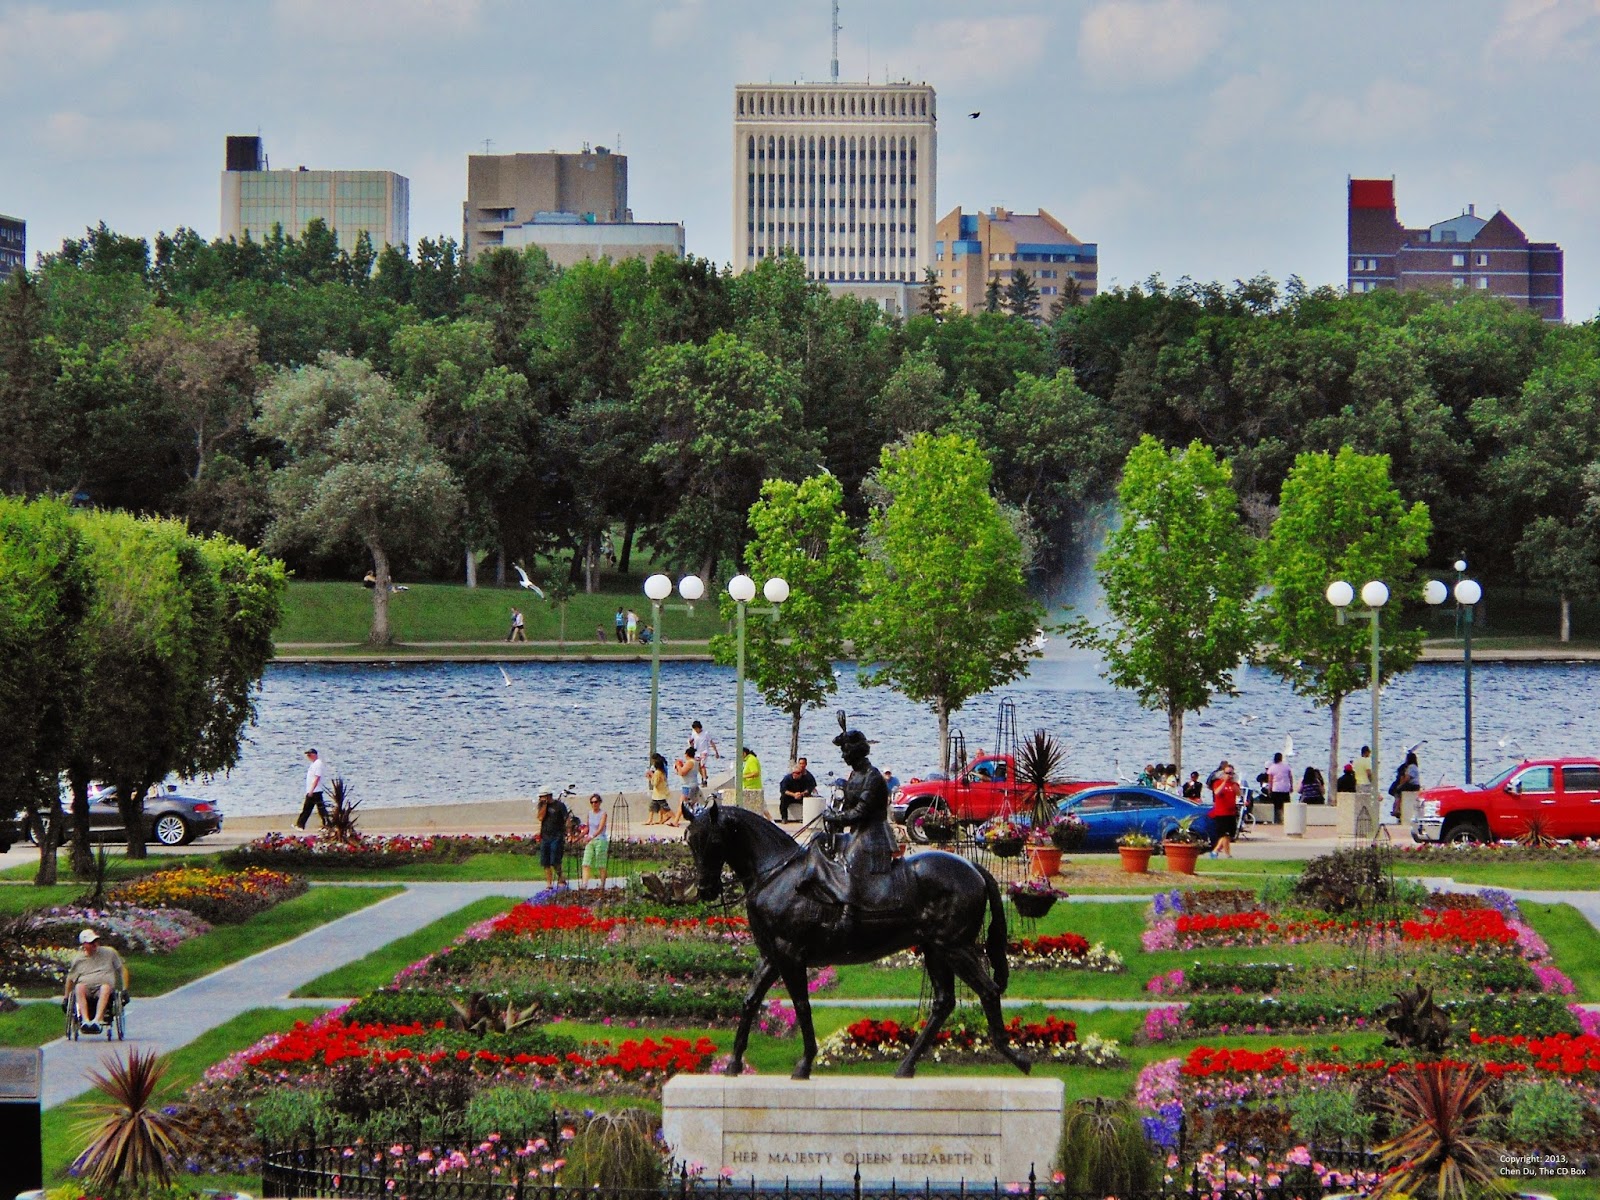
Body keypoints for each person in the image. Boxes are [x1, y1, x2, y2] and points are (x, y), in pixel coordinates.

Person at [807, 725, 895, 936]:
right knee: (818, 841)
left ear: (856, 751)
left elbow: (860, 812)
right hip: (856, 830)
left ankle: (849, 914)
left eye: (846, 751)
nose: (844, 755)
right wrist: (834, 817)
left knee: (850, 861)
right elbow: (848, 807)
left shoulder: (872, 777)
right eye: (843, 751)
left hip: (872, 834)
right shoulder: (854, 775)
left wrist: (837, 817)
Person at [64, 928, 128, 1034]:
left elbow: (122, 970)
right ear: (84, 945)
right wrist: (66, 998)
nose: (94, 944)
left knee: (105, 987)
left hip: (104, 987)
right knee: (79, 987)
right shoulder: (79, 959)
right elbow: (70, 979)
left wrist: (125, 989)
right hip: (86, 988)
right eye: (91, 942)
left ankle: (97, 1021)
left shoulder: (109, 953)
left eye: (95, 941)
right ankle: (86, 1021)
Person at [535, 786, 569, 890]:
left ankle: (560, 877)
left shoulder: (559, 806)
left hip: (557, 835)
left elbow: (566, 819)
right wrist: (544, 805)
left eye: (543, 797)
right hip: (545, 836)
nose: (541, 799)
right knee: (545, 862)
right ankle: (549, 884)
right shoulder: (541, 806)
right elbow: (540, 817)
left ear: (548, 796)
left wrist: (568, 833)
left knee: (555, 860)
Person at [1207, 763, 1240, 859]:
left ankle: (1215, 851)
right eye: (1227, 773)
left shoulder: (1234, 784)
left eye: (1231, 773)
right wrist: (1224, 782)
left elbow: (1238, 794)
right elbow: (1217, 792)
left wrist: (1234, 785)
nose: (1229, 775)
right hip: (1221, 813)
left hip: (1231, 812)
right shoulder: (1217, 782)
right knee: (1224, 834)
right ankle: (1227, 854)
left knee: (1229, 835)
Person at [580, 793, 610, 889]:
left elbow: (600, 828)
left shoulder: (603, 814)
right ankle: (584, 884)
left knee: (600, 863)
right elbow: (588, 828)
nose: (594, 804)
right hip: (590, 840)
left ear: (599, 802)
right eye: (592, 802)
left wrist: (592, 836)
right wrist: (579, 836)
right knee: (586, 862)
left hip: (600, 839)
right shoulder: (589, 813)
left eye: (596, 802)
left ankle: (602, 884)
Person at [296, 748, 328, 830]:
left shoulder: (318, 764)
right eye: (307, 755)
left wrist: (311, 790)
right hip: (314, 790)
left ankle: (300, 825)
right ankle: (300, 825)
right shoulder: (314, 764)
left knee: (309, 809)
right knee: (314, 809)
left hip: (315, 791)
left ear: (314, 754)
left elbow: (317, 778)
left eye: (309, 755)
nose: (308, 757)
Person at [778, 757, 817, 823]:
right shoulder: (787, 778)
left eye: (798, 773)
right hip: (790, 796)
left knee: (809, 800)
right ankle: (784, 818)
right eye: (794, 773)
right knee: (783, 799)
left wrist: (801, 794)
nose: (795, 775)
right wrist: (793, 795)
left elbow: (810, 788)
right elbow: (783, 790)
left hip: (802, 795)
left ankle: (805, 818)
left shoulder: (807, 777)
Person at [1391, 750, 1422, 822]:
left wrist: (1400, 785)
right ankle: (1397, 808)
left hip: (1413, 785)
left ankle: (1396, 809)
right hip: (1415, 785)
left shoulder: (1411, 767)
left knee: (1398, 790)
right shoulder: (1415, 767)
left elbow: (1408, 778)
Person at [1264, 752, 1293, 825]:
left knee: (1277, 806)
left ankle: (1277, 821)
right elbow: (1290, 777)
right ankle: (1287, 820)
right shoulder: (1286, 766)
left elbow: (1270, 780)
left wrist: (1269, 789)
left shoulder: (1272, 768)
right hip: (1285, 788)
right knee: (1286, 805)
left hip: (1276, 789)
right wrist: (1291, 786)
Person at [644, 753, 671, 826]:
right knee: (656, 806)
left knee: (662, 807)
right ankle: (657, 819)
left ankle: (670, 817)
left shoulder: (658, 772)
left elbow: (656, 781)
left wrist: (650, 776)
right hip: (661, 790)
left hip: (659, 792)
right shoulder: (662, 768)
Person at [674, 746, 700, 819]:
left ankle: (676, 820)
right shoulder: (696, 762)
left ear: (687, 754)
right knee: (692, 804)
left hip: (688, 786)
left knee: (682, 804)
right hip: (694, 784)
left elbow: (682, 773)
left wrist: (678, 766)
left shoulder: (690, 762)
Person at [690, 720, 719, 785]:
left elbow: (711, 742)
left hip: (704, 751)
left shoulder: (705, 733)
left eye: (697, 729)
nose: (696, 730)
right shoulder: (694, 733)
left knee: (702, 764)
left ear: (699, 727)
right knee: (698, 765)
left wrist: (716, 752)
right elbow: (691, 741)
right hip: (697, 751)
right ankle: (704, 776)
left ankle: (704, 780)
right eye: (695, 729)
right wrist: (691, 746)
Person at [740, 746, 763, 811]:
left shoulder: (751, 760)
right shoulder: (748, 760)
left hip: (752, 788)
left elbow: (756, 773)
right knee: (763, 808)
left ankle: (771, 820)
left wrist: (743, 777)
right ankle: (771, 821)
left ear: (744, 753)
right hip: (749, 787)